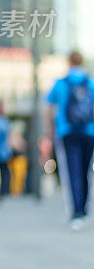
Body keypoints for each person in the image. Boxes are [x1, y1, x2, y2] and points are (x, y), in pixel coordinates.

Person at [43, 50, 94, 231]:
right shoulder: (91, 82)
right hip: (89, 131)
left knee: (72, 170)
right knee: (86, 170)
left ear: (69, 62)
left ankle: (76, 212)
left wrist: (49, 131)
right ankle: (84, 208)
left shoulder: (60, 83)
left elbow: (48, 109)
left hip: (67, 131)